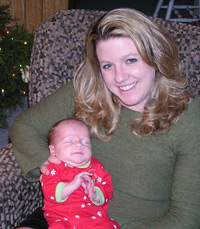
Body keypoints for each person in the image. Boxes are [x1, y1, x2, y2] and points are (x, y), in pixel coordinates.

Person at [11, 7, 200, 229]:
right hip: (63, 215)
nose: (119, 77)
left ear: (155, 57)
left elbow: (186, 218)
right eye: (108, 66)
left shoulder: (189, 120)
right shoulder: (87, 93)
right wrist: (48, 164)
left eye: (130, 60)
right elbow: (25, 126)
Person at [41, 118, 119, 229]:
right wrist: (72, 185)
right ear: (53, 150)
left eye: (85, 142)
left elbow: (107, 188)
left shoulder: (96, 167)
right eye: (69, 141)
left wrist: (96, 194)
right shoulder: (53, 168)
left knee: (109, 226)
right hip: (62, 219)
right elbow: (50, 193)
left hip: (94, 218)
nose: (79, 145)